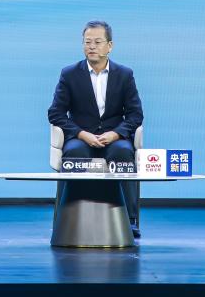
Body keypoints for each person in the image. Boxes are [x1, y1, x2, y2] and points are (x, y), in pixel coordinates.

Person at [47, 20, 145, 235]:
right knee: (74, 153)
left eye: (97, 42)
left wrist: (115, 134)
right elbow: (55, 113)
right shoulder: (70, 74)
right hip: (80, 137)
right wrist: (82, 134)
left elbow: (136, 115)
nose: (91, 46)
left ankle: (129, 220)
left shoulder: (124, 74)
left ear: (110, 46)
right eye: (87, 42)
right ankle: (66, 218)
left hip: (114, 138)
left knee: (122, 153)